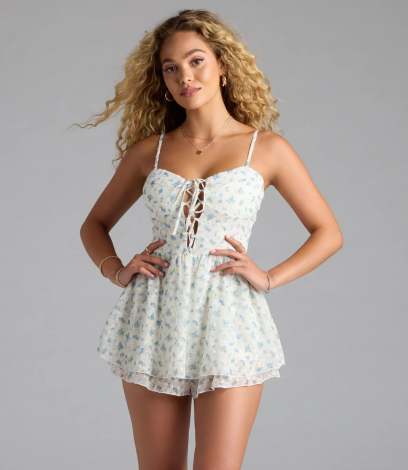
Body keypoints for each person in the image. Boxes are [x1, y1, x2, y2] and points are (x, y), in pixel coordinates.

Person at [79, 8, 343, 470]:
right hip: (154, 319)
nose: (185, 76)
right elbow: (94, 224)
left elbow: (328, 233)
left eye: (196, 60)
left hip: (229, 322)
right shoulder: (149, 152)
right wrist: (116, 271)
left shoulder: (267, 149)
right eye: (171, 67)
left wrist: (269, 277)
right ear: (163, 80)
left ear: (223, 65)